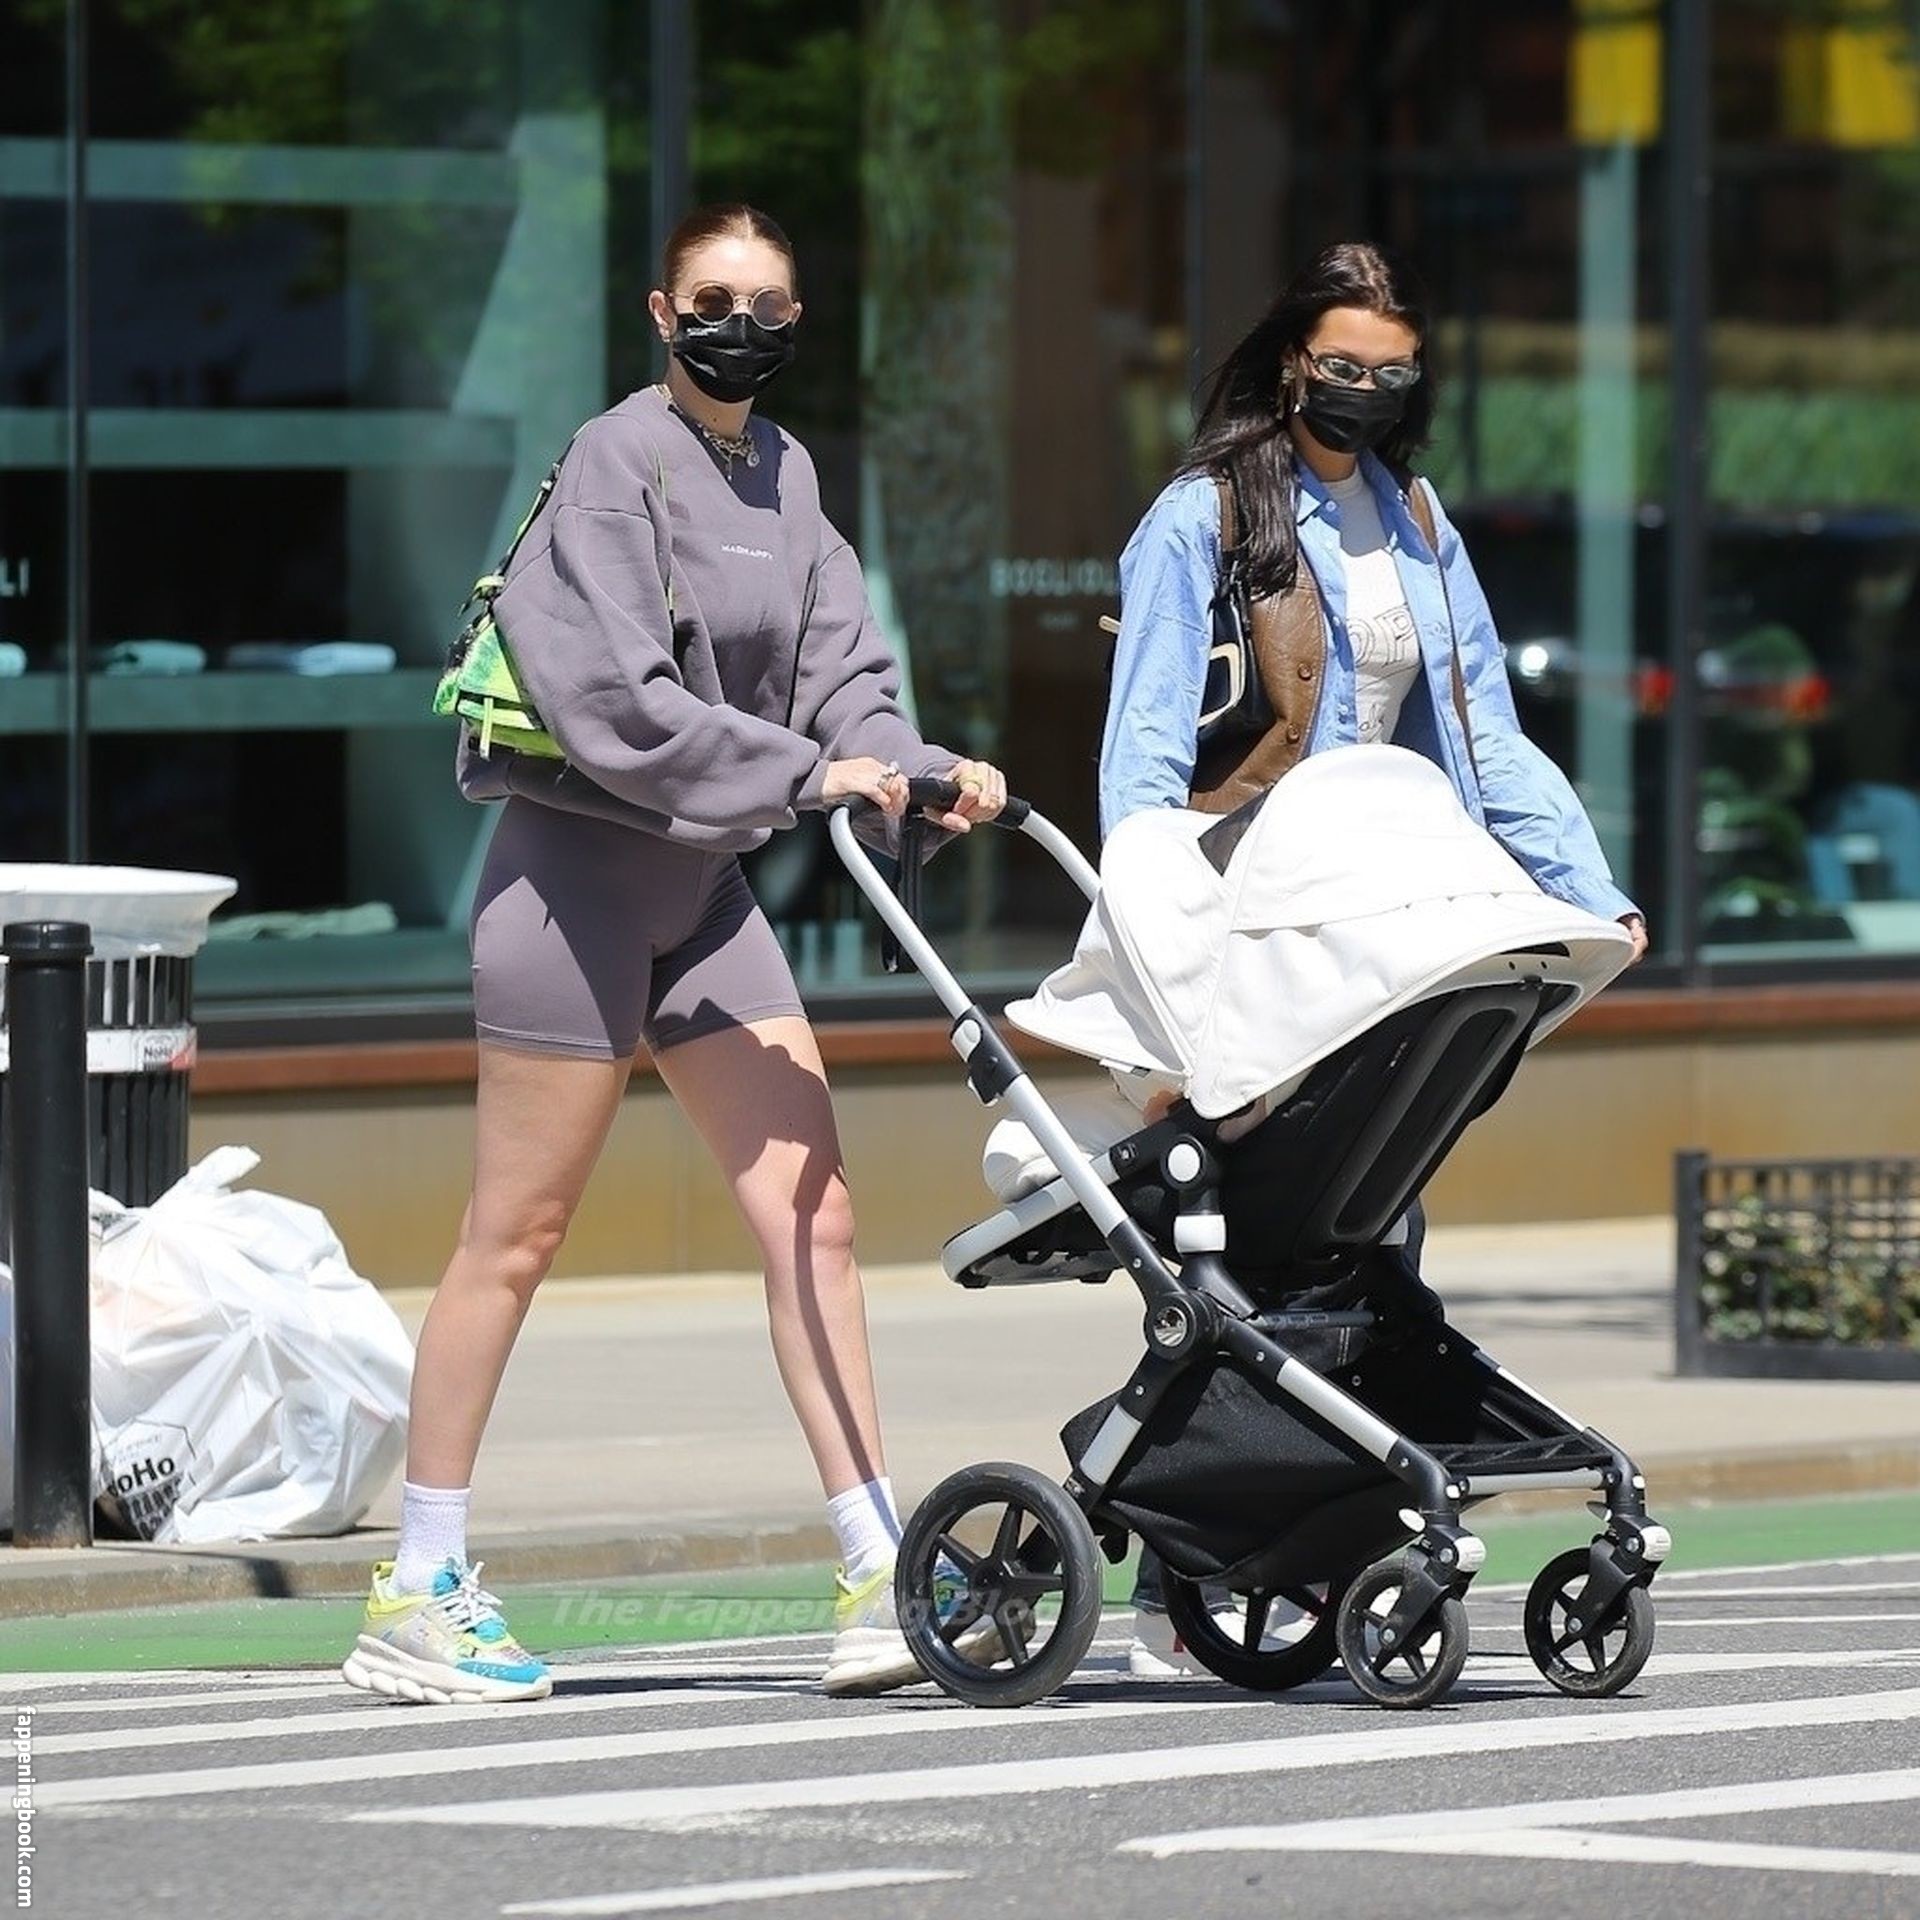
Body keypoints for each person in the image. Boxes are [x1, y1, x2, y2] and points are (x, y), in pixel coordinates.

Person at [341, 202, 1007, 1705]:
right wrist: (813, 775)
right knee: (516, 1235)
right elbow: (617, 704)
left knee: (813, 1216)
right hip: (571, 883)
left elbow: (848, 674)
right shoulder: (615, 459)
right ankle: (418, 1587)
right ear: (662, 311)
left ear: (797, 322)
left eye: (767, 305)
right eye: (713, 300)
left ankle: (875, 1569)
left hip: (702, 893)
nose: (740, 327)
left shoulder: (792, 477)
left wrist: (914, 768)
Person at [1099, 240, 1646, 1677]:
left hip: (1387, 923)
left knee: (1366, 1231)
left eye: (1391, 374)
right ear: (1293, 361)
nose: (1364, 391)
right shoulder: (1203, 518)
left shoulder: (1415, 517)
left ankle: (1334, 1548)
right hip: (1255, 921)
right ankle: (1184, 1570)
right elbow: (1143, 760)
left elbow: (1482, 730)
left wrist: (1585, 889)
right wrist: (1158, 976)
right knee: (1244, 1249)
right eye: (1341, 366)